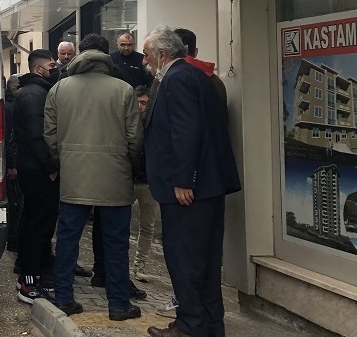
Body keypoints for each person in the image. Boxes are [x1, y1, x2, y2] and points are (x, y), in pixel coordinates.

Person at [141, 26, 242, 337]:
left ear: (162, 54)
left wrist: (184, 180)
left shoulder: (177, 78)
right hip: (206, 186)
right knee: (205, 260)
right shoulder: (197, 76)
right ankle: (210, 325)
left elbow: (186, 133)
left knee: (186, 259)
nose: (144, 61)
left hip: (188, 190)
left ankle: (190, 326)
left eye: (146, 55)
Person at [43, 34, 142, 320]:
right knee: (116, 242)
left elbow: (50, 136)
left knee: (67, 238)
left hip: (74, 175)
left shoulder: (59, 89)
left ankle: (64, 298)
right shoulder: (124, 90)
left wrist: (63, 161)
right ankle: (119, 304)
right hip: (115, 175)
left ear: (78, 55)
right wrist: (129, 166)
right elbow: (135, 138)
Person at [12, 50, 61, 304]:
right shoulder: (33, 95)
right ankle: (29, 284)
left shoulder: (37, 92)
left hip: (34, 168)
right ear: (38, 69)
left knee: (35, 222)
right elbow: (36, 135)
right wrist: (51, 166)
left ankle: (34, 275)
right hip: (38, 171)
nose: (56, 68)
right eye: (52, 65)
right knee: (38, 226)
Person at [131, 85, 159, 283]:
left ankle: (139, 265)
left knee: (147, 226)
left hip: (149, 181)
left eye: (144, 103)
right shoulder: (128, 123)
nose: (141, 107)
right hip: (127, 178)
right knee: (119, 223)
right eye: (138, 102)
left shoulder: (155, 123)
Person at [4, 74, 22, 253]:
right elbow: (9, 139)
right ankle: (13, 238)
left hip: (10, 162)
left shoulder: (8, 105)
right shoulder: (10, 108)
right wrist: (12, 164)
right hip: (11, 164)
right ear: (15, 89)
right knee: (14, 202)